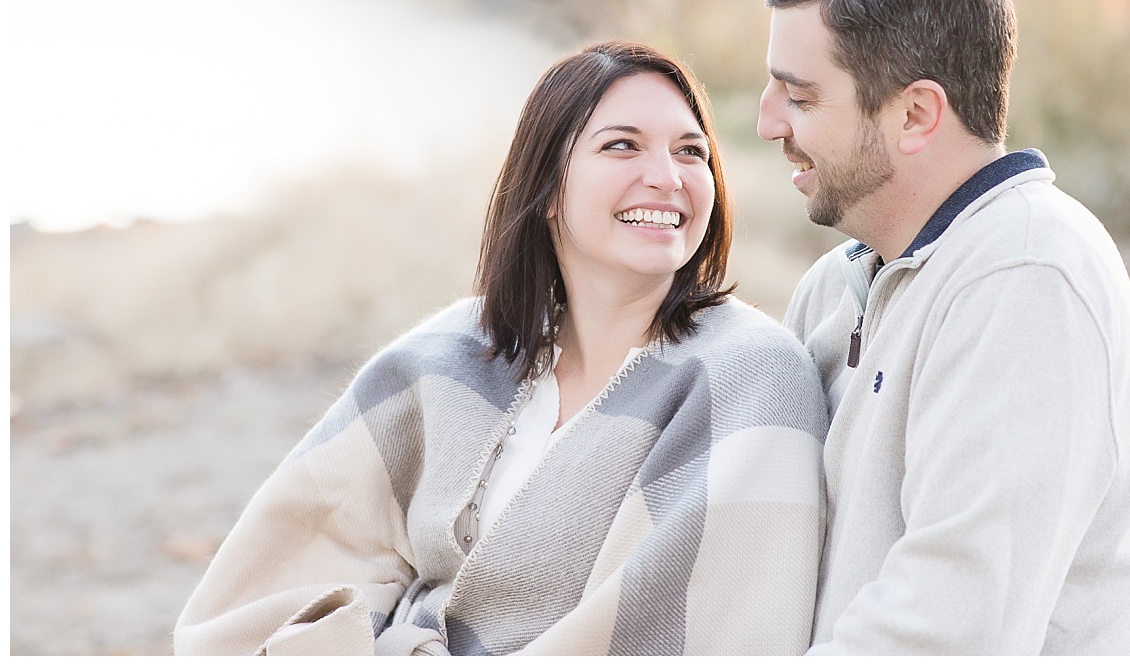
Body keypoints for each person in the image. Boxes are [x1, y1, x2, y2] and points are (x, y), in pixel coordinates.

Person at [173, 40, 827, 655]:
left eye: (690, 151)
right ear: (546, 189)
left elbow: (725, 626)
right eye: (623, 146)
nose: (667, 176)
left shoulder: (752, 376)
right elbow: (263, 589)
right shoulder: (448, 356)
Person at [756, 0, 1130, 654]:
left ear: (915, 113)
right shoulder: (832, 287)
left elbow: (951, 627)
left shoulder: (1029, 273)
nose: (763, 121)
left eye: (800, 97)